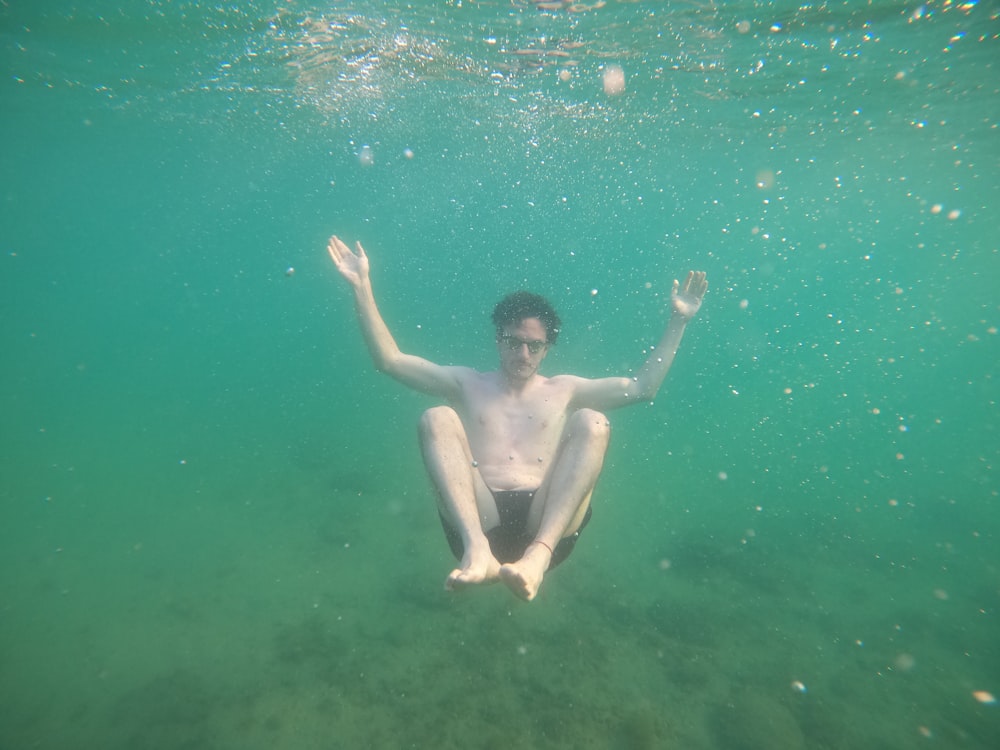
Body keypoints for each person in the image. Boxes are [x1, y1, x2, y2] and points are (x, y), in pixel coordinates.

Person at [327, 235, 707, 601]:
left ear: (547, 348)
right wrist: (361, 286)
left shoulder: (565, 389)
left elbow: (643, 387)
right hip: (476, 521)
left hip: (547, 526)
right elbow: (390, 360)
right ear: (498, 340)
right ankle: (478, 552)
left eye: (534, 345)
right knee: (436, 417)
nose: (522, 354)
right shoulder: (466, 383)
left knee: (593, 421)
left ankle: (535, 561)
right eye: (513, 342)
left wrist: (679, 321)